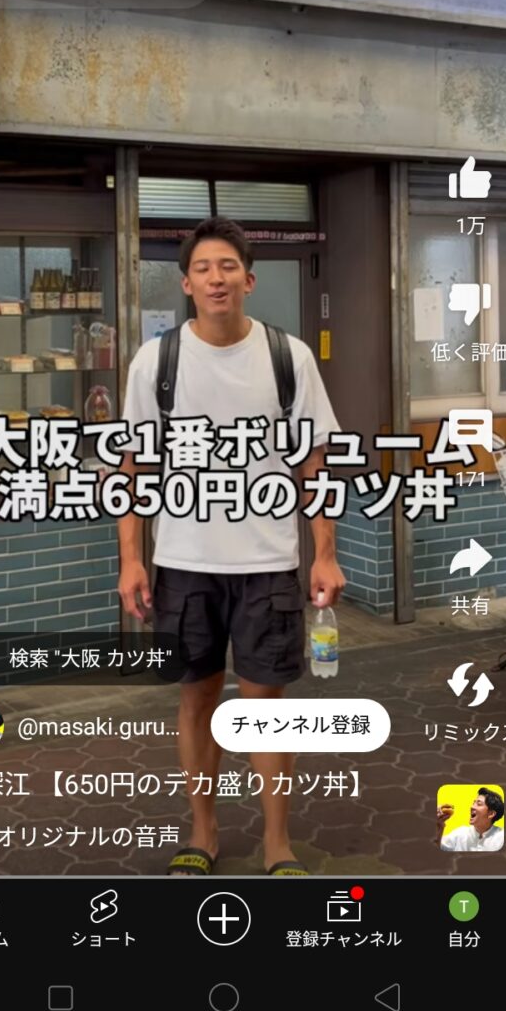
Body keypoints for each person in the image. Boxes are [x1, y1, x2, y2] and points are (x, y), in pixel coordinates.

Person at [118, 216, 345, 876]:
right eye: (203, 268)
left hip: (267, 562)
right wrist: (131, 559)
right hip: (183, 563)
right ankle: (204, 831)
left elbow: (314, 465)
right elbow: (133, 468)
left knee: (264, 706)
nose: (216, 278)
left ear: (249, 279)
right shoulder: (155, 362)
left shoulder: (287, 357)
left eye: (228, 267)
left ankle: (278, 842)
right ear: (186, 283)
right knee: (195, 699)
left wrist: (324, 551)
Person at [436, 788, 504, 851]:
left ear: (491, 814)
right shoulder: (460, 833)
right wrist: (439, 826)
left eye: (479, 804)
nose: (472, 807)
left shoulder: (501, 837)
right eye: (473, 803)